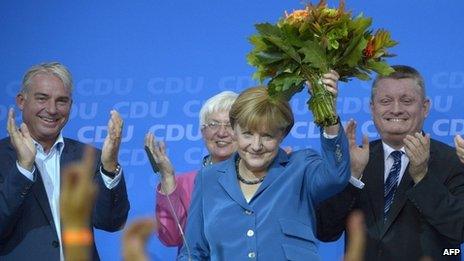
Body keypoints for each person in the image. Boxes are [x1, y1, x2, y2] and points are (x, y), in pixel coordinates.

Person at [178, 84, 351, 260]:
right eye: (247, 134)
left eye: (267, 136)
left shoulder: (301, 168)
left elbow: (336, 176)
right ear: (234, 130)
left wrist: (328, 113)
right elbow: (193, 251)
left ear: (282, 134)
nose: (256, 146)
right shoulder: (208, 179)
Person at [316, 65, 464, 260]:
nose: (396, 109)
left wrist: (422, 176)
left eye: (406, 101)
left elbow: (459, 230)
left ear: (425, 107)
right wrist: (351, 176)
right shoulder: (356, 158)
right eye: (385, 101)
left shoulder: (454, 161)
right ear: (372, 108)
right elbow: (325, 231)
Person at [0, 62, 130, 260]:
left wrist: (110, 167)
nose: (52, 109)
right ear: (21, 101)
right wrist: (23, 169)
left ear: (71, 105)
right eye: (42, 98)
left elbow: (111, 222)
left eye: (62, 101)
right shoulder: (3, 156)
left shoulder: (87, 157)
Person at [146, 91, 238, 247]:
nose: (222, 133)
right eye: (213, 125)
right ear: (202, 132)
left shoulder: (260, 177)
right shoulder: (183, 183)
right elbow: (171, 238)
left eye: (230, 125)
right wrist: (168, 177)